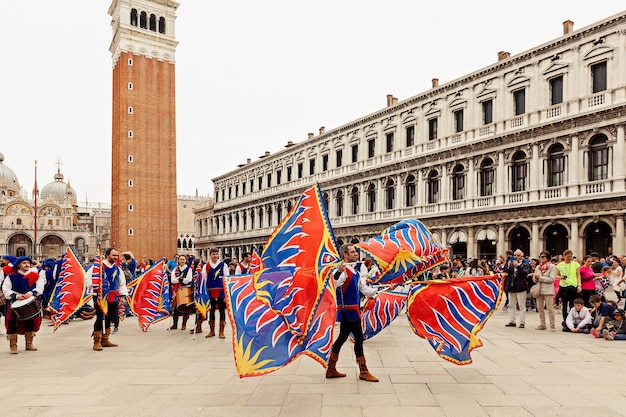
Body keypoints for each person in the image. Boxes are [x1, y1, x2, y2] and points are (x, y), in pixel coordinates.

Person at [326, 243, 379, 382]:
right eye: (352, 252)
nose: (356, 254)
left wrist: (379, 290)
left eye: (355, 252)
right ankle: (363, 370)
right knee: (358, 338)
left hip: (353, 309)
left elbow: (364, 289)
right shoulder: (343, 271)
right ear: (345, 255)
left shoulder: (355, 271)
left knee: (342, 337)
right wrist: (338, 271)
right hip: (348, 310)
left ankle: (331, 368)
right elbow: (334, 283)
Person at [86, 248, 128, 351]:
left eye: (117, 256)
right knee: (100, 317)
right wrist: (96, 286)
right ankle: (97, 341)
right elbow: (88, 279)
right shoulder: (97, 267)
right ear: (107, 255)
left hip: (113, 296)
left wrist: (123, 296)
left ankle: (105, 339)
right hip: (100, 296)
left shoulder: (118, 269)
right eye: (114, 255)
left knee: (109, 317)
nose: (116, 258)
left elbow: (121, 283)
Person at [2, 256, 45, 354]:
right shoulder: (11, 276)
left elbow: (40, 287)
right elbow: (6, 289)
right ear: (19, 265)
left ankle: (29, 343)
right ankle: (13, 345)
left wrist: (32, 293)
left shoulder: (35, 275)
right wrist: (16, 296)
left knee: (30, 322)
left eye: (28, 263)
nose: (26, 265)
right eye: (24, 263)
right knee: (13, 323)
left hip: (30, 301)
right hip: (14, 302)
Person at [202, 248, 229, 338]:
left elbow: (227, 279)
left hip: (221, 291)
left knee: (222, 311)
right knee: (212, 311)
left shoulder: (223, 265)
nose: (215, 256)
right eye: (213, 254)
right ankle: (212, 330)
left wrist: (226, 294)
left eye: (216, 254)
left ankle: (221, 331)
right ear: (210, 255)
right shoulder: (206, 266)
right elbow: (203, 280)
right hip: (210, 291)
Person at [530, 251, 557, 331]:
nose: (541, 258)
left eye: (543, 257)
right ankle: (542, 324)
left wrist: (540, 277)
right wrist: (535, 277)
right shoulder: (538, 267)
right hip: (539, 289)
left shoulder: (552, 267)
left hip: (548, 290)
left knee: (550, 308)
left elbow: (552, 279)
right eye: (540, 256)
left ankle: (552, 325)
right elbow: (534, 280)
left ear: (547, 258)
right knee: (540, 308)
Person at [504, 250, 531, 328]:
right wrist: (508, 266)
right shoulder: (511, 263)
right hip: (511, 286)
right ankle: (512, 321)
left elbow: (525, 273)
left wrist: (518, 266)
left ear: (521, 256)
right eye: (515, 255)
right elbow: (506, 272)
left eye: (518, 255)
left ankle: (522, 322)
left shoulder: (525, 264)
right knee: (511, 305)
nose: (516, 257)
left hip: (520, 287)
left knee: (521, 305)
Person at [169, 254, 194, 330]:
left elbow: (189, 279)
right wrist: (179, 279)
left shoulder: (189, 269)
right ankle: (175, 324)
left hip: (185, 289)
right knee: (175, 307)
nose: (182, 261)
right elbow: (172, 280)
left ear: (186, 260)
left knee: (185, 306)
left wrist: (181, 280)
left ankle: (184, 324)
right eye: (180, 259)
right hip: (176, 290)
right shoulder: (175, 269)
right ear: (178, 260)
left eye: (183, 259)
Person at [556, 249, 581, 322]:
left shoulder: (576, 264)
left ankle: (572, 319)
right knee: (564, 304)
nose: (570, 258)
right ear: (564, 256)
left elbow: (578, 275)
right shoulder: (559, 265)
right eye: (568, 257)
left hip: (573, 285)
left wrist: (579, 285)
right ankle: (565, 319)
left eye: (571, 257)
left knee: (572, 304)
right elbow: (556, 275)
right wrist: (561, 277)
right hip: (564, 286)